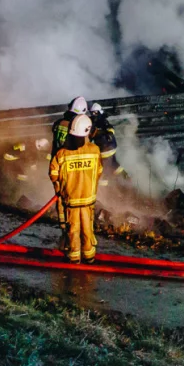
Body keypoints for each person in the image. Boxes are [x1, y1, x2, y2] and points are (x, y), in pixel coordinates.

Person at [49, 112, 103, 263]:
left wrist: (59, 186)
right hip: (88, 200)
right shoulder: (94, 150)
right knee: (87, 230)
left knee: (72, 230)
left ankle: (74, 259)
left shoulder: (62, 153)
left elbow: (53, 173)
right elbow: (99, 172)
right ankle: (89, 258)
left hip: (71, 200)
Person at [90, 103, 127, 188]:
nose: (93, 115)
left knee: (104, 171)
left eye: (95, 113)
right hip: (109, 148)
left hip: (105, 149)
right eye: (92, 113)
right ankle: (126, 178)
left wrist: (106, 133)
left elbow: (109, 129)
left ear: (99, 112)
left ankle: (105, 189)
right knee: (114, 164)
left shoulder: (101, 122)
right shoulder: (98, 120)